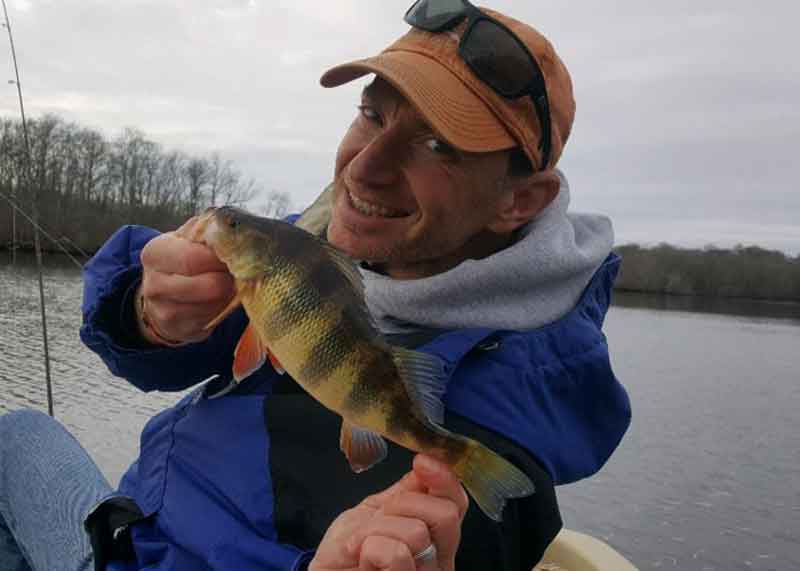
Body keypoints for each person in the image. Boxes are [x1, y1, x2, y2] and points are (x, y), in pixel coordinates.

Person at [5, 1, 632, 570]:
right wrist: (145, 313)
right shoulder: (325, 251)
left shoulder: (513, 407)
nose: (363, 166)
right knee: (15, 436)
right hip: (129, 530)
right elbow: (157, 350)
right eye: (371, 114)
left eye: (437, 144)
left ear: (519, 201)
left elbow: (467, 536)